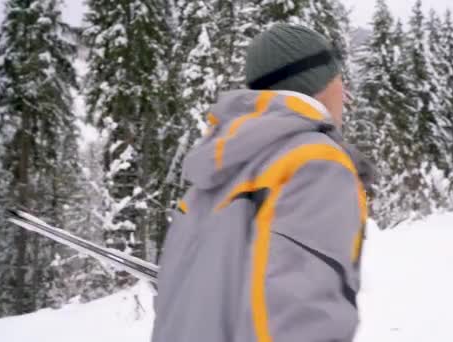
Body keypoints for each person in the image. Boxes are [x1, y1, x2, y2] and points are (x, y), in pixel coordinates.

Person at [152, 23, 373, 342]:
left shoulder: (216, 176)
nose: (347, 94)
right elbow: (301, 322)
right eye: (340, 78)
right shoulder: (314, 164)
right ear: (319, 81)